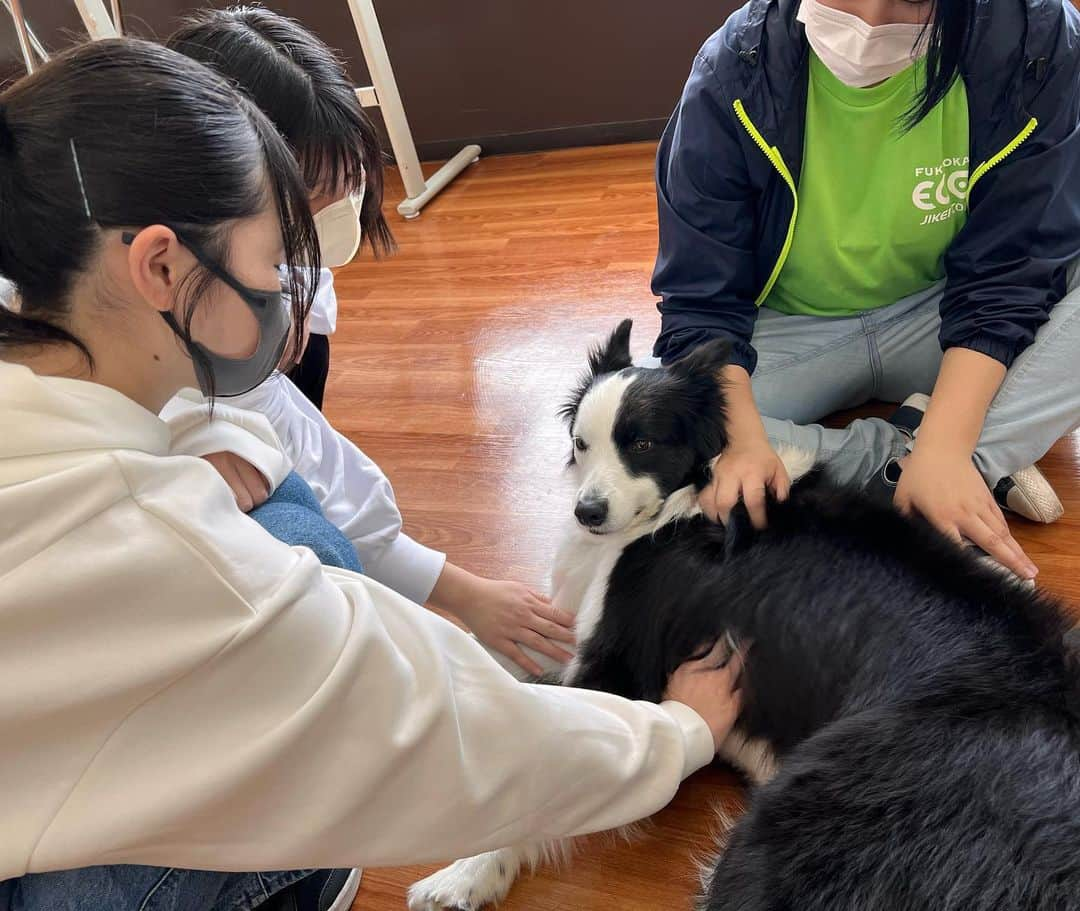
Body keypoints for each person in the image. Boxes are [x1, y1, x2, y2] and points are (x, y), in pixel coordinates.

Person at [0, 38, 744, 911]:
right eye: (275, 259)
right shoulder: (176, 552)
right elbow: (444, 734)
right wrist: (678, 732)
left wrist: (211, 431)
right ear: (162, 266)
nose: (293, 293)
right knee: (299, 529)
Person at [159, 6, 572, 679]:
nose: (308, 260)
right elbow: (331, 499)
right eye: (296, 224)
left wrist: (465, 597)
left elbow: (327, 472)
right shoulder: (172, 375)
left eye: (342, 195)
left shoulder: (267, 295)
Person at [652, 0, 1080, 581]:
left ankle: (950, 459)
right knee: (651, 421)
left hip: (942, 311)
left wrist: (948, 449)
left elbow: (1013, 271)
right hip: (791, 329)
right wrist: (744, 444)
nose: (871, 17)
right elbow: (700, 303)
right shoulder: (732, 71)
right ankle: (939, 458)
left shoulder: (1036, 38)